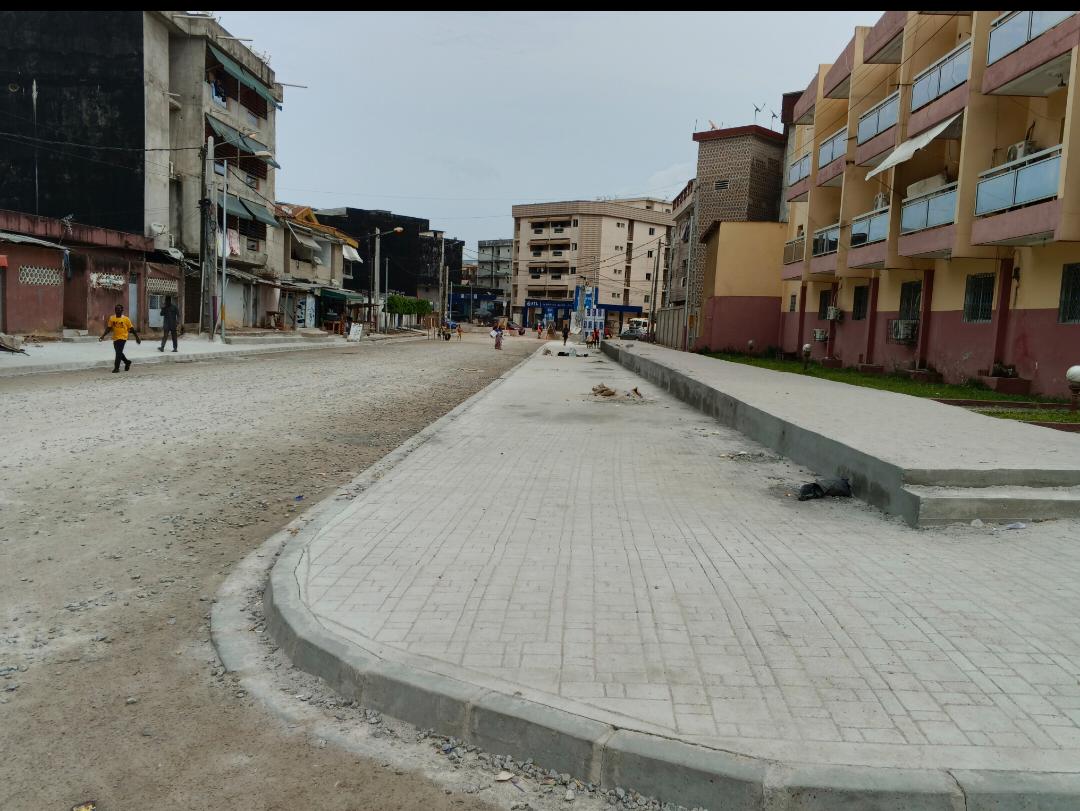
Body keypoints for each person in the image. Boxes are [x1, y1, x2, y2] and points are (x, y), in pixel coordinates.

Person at [99, 304, 140, 373]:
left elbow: (131, 329)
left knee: (118, 353)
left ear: (122, 310)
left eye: (119, 309)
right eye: (116, 309)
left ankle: (116, 368)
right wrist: (103, 336)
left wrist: (137, 337)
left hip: (123, 337)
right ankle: (127, 362)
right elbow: (109, 328)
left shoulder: (126, 319)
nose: (117, 311)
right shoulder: (112, 318)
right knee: (119, 352)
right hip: (115, 338)